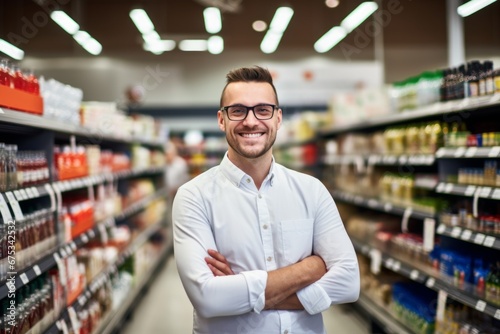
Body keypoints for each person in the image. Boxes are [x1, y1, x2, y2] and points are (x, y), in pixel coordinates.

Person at [173, 66, 359, 334]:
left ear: (278, 118)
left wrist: (241, 290)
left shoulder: (312, 190)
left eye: (263, 110)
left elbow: (348, 283)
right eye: (238, 110)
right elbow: (208, 298)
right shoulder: (194, 196)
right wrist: (309, 269)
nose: (251, 121)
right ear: (221, 119)